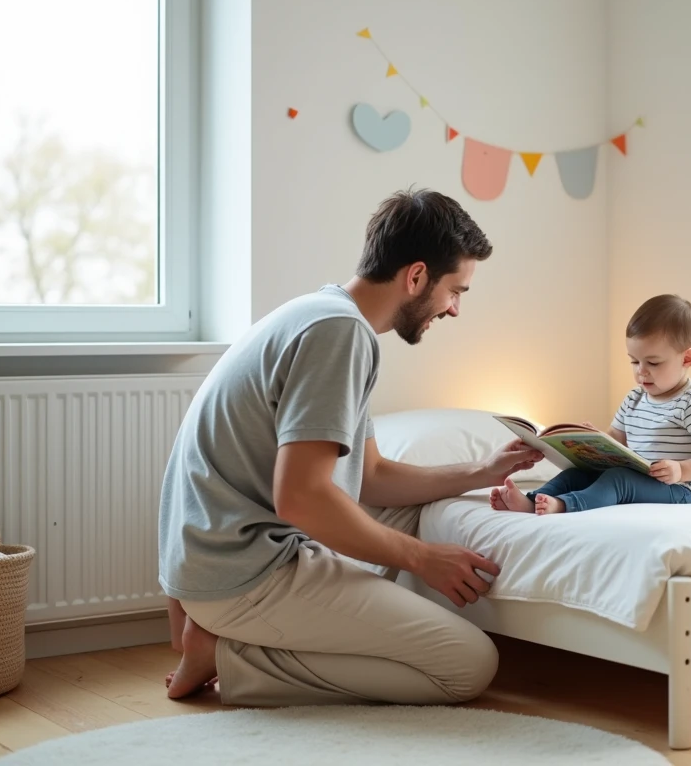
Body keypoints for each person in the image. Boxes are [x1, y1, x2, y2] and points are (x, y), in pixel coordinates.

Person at [159, 187, 543, 705]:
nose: (454, 310)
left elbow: (371, 477)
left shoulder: (325, 314)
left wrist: (483, 470)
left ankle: (232, 635)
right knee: (468, 665)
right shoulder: (340, 335)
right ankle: (230, 654)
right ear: (416, 276)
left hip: (216, 558)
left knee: (418, 512)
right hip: (241, 573)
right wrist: (423, 559)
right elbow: (301, 498)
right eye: (456, 291)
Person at [491, 294, 691, 515]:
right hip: (639, 478)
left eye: (653, 363)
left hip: (681, 490)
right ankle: (532, 500)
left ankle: (565, 506)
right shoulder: (634, 399)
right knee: (576, 474)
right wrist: (592, 441)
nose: (641, 371)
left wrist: (681, 470)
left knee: (618, 480)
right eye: (634, 361)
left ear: (687, 359)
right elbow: (617, 438)